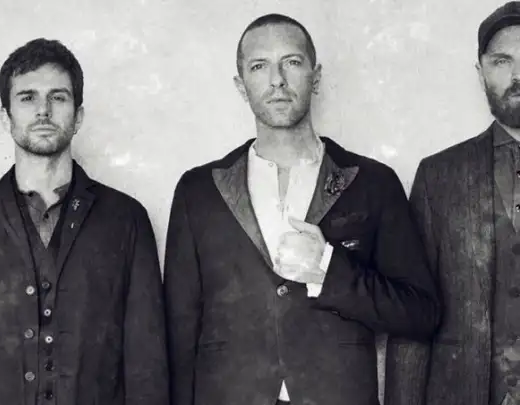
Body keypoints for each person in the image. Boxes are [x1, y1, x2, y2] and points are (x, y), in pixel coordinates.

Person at [163, 13, 440, 405]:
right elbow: (178, 331)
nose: (277, 80)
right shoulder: (198, 190)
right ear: (241, 86)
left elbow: (420, 313)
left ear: (316, 76)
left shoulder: (373, 182)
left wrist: (329, 270)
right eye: (259, 66)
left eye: (291, 62)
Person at [0, 38, 168, 405]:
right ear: (6, 117)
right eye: (27, 97)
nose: (43, 110)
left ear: (78, 117)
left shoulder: (126, 219)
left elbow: (147, 369)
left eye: (58, 97)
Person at [385, 3, 520, 405]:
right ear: (480, 73)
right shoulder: (438, 176)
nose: (518, 75)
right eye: (502, 61)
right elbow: (412, 316)